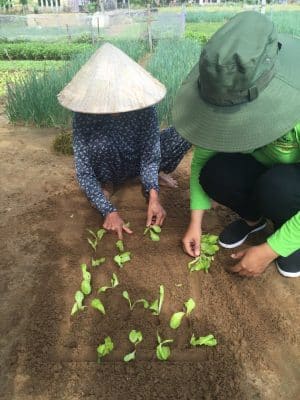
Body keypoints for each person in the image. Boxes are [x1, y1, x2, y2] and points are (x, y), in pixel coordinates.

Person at [172, 11, 300, 278]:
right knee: (215, 172)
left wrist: (270, 249)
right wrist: (195, 223)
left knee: (278, 186)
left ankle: (288, 235)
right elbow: (202, 159)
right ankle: (254, 220)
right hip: (263, 164)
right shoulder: (228, 89)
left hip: (290, 181)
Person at [58, 43, 191, 239]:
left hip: (135, 159)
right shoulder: (84, 115)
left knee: (182, 132)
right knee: (100, 146)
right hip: (108, 164)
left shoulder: (144, 107)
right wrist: (109, 211)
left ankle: (149, 179)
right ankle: (107, 184)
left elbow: (150, 153)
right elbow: (84, 170)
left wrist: (154, 196)